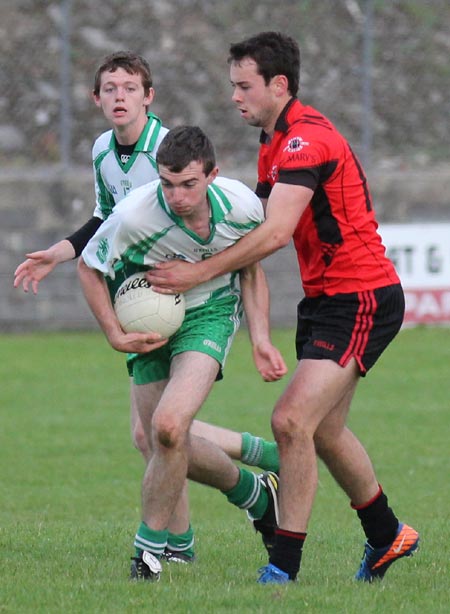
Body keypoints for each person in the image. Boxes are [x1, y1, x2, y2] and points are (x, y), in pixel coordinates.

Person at [145, 32, 420, 584]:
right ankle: (389, 534)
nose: (235, 97)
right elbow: (249, 231)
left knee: (290, 420)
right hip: (324, 301)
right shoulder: (272, 144)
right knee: (322, 432)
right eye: (232, 86)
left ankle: (283, 568)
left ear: (279, 84)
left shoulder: (305, 141)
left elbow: (272, 235)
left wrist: (196, 273)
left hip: (360, 295)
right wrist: (257, 327)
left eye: (244, 86)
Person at [13, 51, 282, 562]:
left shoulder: (169, 152)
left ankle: (175, 542)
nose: (119, 96)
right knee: (153, 436)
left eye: (129, 87)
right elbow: (106, 219)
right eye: (109, 88)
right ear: (95, 99)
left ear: (148, 96)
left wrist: (256, 330)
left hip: (191, 298)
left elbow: (244, 248)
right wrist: (63, 250)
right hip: (140, 296)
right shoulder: (101, 151)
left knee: (162, 430)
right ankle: (246, 482)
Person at [78, 125, 287, 581]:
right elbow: (88, 267)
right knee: (158, 440)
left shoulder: (242, 207)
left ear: (212, 175)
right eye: (167, 184)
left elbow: (250, 270)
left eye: (189, 184)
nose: (177, 196)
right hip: (148, 319)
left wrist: (261, 339)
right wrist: (114, 333)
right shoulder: (135, 216)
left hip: (209, 315)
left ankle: (149, 553)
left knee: (169, 426)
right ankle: (254, 493)